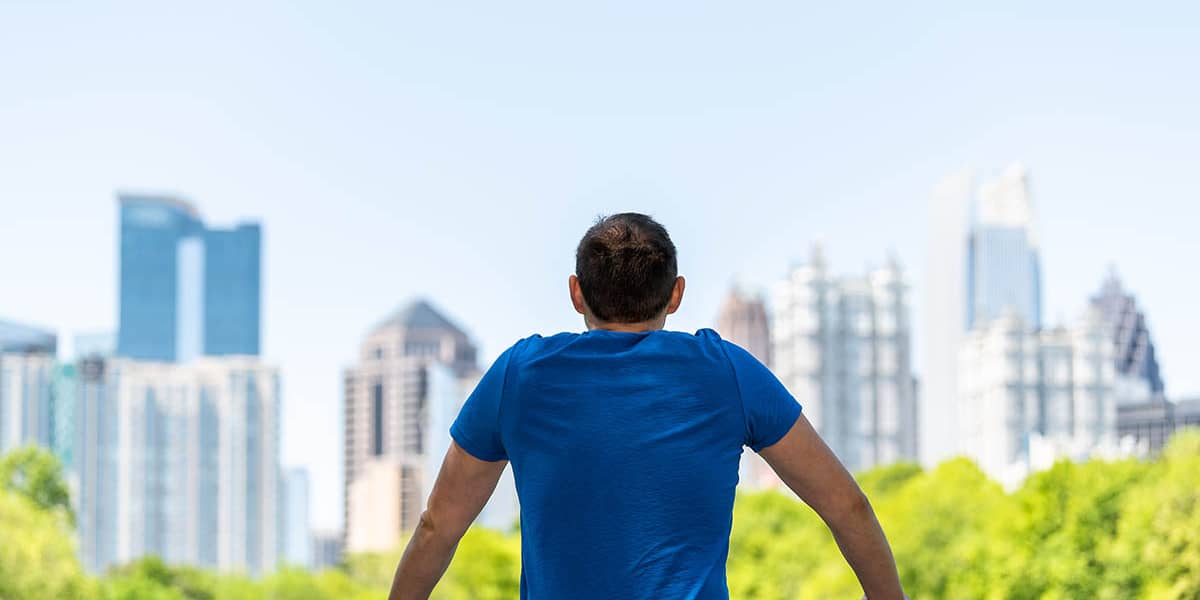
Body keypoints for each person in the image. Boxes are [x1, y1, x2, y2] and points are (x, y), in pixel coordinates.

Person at [388, 213, 906, 599]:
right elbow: (848, 507)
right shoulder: (728, 371)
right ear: (675, 294)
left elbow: (439, 525)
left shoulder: (519, 374)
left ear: (576, 293)